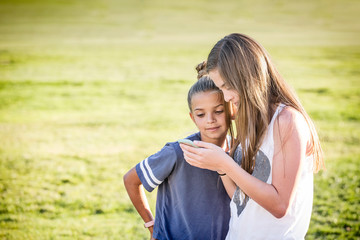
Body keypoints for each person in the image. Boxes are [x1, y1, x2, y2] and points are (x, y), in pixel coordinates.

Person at [180, 33, 325, 240]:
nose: (226, 97)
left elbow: (280, 205)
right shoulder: (249, 119)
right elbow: (242, 202)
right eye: (221, 88)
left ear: (248, 78)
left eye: (227, 87)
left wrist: (226, 164)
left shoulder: (287, 121)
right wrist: (221, 167)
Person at [123, 62, 234, 240]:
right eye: (200, 114)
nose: (210, 120)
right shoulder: (178, 152)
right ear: (192, 118)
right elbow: (131, 180)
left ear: (231, 110)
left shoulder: (239, 152)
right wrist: (152, 226)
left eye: (219, 111)